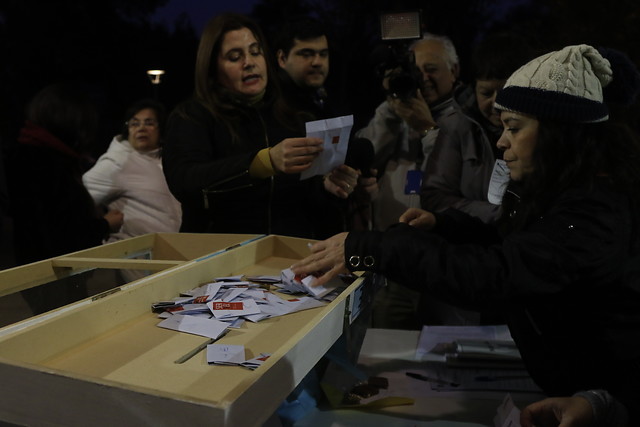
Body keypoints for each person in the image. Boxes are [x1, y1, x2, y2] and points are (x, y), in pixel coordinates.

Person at [291, 44, 640, 424]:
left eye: (514, 128)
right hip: (576, 388)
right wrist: (445, 225)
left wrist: (371, 248)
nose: (501, 141)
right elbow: (514, 241)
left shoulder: (594, 210)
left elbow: (496, 273)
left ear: (559, 134)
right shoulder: (562, 193)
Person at [162, 13, 358, 238]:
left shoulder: (294, 116)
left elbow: (303, 197)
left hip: (287, 261)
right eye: (235, 57)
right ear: (213, 67)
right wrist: (264, 162)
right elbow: (186, 183)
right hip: (218, 261)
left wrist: (328, 188)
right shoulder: (191, 116)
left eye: (255, 52)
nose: (250, 63)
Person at [356, 32, 463, 328]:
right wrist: (390, 111)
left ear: (454, 71)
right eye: (416, 71)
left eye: (432, 69)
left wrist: (428, 130)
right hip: (390, 270)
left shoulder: (465, 121)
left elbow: (451, 182)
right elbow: (362, 159)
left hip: (443, 271)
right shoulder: (393, 118)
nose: (423, 78)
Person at [5, 83, 123, 314]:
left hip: (39, 277)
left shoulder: (27, 156)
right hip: (54, 280)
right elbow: (62, 234)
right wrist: (105, 225)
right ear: (72, 123)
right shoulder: (49, 165)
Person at [273, 15, 377, 236]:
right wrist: (323, 187)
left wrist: (356, 182)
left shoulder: (327, 100)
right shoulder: (273, 109)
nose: (317, 62)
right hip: (288, 237)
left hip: (328, 232)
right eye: (306, 54)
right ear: (282, 58)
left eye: (323, 54)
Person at [421, 32, 536, 224]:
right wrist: (501, 214)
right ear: (474, 88)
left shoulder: (543, 129)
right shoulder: (457, 126)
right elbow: (435, 196)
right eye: (486, 92)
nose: (496, 103)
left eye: (506, 91)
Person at [82, 99, 182, 281]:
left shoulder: (167, 159)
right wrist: (103, 224)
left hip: (174, 258)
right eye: (134, 123)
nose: (141, 128)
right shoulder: (117, 162)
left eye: (149, 123)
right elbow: (77, 199)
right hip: (140, 265)